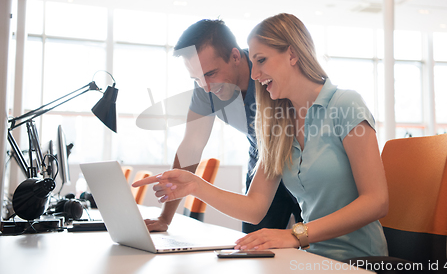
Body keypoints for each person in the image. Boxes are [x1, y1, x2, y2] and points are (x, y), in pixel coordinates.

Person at [134, 13, 389, 261]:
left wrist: (296, 234)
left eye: (261, 60)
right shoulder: (279, 122)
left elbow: (377, 201)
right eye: (253, 63)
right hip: (311, 258)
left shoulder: (346, 104)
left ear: (292, 54)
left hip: (359, 260)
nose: (255, 74)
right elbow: (254, 208)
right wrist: (195, 186)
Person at [145, 19, 301, 234]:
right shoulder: (204, 88)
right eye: (197, 78)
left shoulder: (268, 72)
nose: (206, 87)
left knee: (314, 243)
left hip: (303, 164)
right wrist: (165, 218)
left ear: (235, 56)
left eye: (210, 74)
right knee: (256, 247)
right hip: (262, 166)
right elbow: (191, 145)